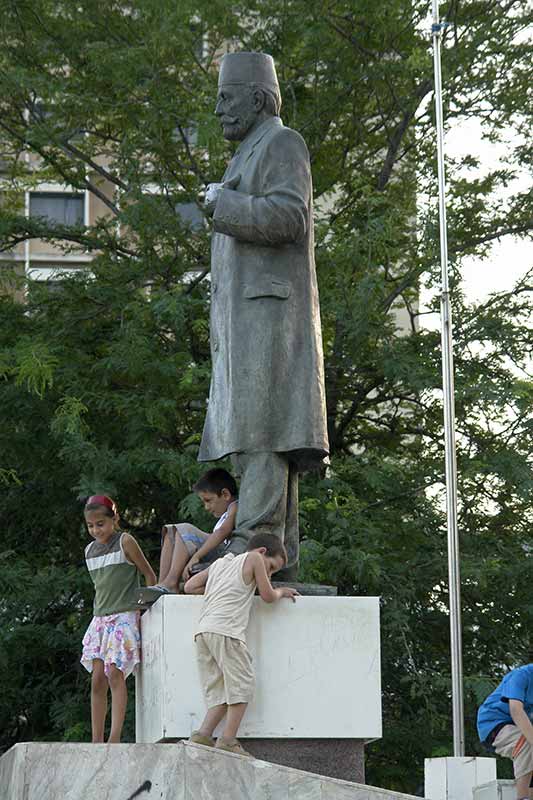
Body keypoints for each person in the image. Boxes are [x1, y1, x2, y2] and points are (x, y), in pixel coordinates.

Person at [199, 51, 329, 580]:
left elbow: (289, 215)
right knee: (257, 436)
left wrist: (221, 206)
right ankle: (274, 557)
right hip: (246, 327)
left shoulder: (280, 142)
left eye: (226, 98)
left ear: (257, 98)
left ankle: (255, 548)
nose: (217, 110)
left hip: (269, 324)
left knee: (263, 433)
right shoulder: (245, 155)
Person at [184, 531, 298, 755]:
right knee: (242, 686)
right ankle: (227, 740)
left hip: (204, 631)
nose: (270, 573)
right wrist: (281, 591)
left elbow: (190, 587)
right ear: (262, 552)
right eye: (272, 567)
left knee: (220, 693)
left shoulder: (220, 564)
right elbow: (267, 595)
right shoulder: (254, 559)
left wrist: (219, 591)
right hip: (227, 631)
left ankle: (202, 737)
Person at [81, 494, 156, 743]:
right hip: (100, 619)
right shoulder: (89, 551)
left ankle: (114, 738)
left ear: (115, 518)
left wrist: (145, 610)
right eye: (90, 526)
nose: (95, 530)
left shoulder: (125, 541)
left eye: (100, 524)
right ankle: (96, 740)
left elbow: (149, 574)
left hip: (125, 615)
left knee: (115, 673)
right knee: (97, 679)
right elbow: (100, 587)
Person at [155, 468, 238, 594]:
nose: (206, 507)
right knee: (171, 531)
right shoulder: (224, 515)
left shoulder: (235, 506)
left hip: (226, 554)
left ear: (225, 494)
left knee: (185, 529)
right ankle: (162, 583)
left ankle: (171, 583)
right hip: (217, 551)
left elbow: (223, 531)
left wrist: (196, 556)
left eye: (208, 500)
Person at [477, 664, 533, 800]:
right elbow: (516, 710)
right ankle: (523, 797)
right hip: (493, 723)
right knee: (525, 741)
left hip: (518, 725)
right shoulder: (521, 675)